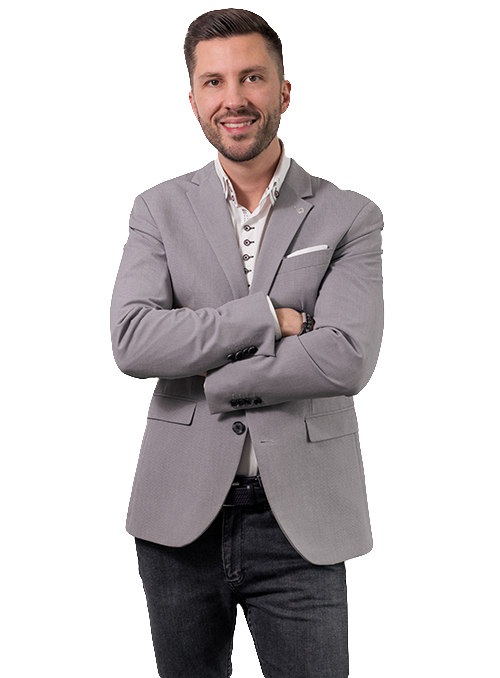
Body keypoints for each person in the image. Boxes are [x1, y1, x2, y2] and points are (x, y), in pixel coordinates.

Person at [110, 8, 384, 678]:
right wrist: (267, 317)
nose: (233, 98)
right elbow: (133, 340)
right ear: (193, 100)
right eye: (214, 82)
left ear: (284, 91)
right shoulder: (157, 209)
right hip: (178, 519)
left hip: (304, 521)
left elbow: (347, 356)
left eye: (252, 77)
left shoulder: (349, 214)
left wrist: (218, 376)